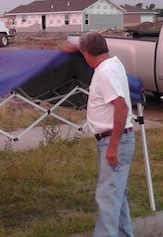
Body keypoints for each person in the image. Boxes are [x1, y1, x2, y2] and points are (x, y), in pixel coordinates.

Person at [65, 32, 135, 237]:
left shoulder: (105, 73)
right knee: (116, 196)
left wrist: (113, 145)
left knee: (107, 198)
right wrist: (79, 48)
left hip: (114, 141)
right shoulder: (113, 63)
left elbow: (121, 107)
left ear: (87, 53)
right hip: (116, 140)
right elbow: (93, 52)